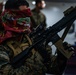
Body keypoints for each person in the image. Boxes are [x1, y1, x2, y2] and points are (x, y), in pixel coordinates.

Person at [0, 0, 74, 75]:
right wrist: (32, 67)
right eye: (21, 15)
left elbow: (54, 69)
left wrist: (61, 58)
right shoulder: (3, 45)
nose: (25, 20)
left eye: (27, 16)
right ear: (9, 15)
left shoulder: (32, 39)